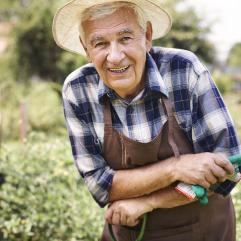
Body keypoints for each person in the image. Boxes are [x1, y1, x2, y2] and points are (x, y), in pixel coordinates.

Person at [52, 1, 241, 240]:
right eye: (100, 43)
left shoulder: (183, 70)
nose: (115, 57)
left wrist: (148, 202)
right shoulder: (78, 90)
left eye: (125, 38)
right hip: (128, 231)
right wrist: (175, 167)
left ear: (147, 36)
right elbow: (100, 185)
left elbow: (228, 166)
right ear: (85, 48)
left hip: (203, 230)